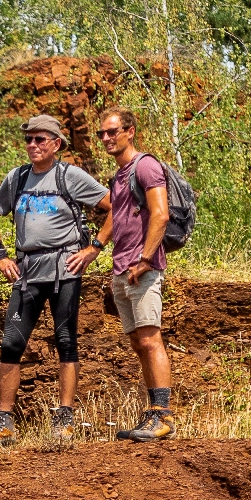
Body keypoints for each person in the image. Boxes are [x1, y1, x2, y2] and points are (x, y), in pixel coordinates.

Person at [0, 114, 107, 449]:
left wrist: (95, 248)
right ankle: (3, 425)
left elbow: (116, 206)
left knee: (65, 341)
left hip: (65, 269)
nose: (32, 145)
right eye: (29, 139)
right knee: (10, 345)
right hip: (27, 270)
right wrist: (0, 254)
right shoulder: (16, 178)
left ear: (56, 143)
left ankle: (64, 422)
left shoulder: (69, 176)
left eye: (40, 139)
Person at [95, 109, 175, 441]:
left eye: (112, 132)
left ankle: (163, 416)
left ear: (130, 131)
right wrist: (95, 247)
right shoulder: (118, 176)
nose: (106, 138)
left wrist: (144, 260)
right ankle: (152, 415)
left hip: (142, 269)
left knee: (149, 339)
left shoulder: (145, 166)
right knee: (138, 343)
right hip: (121, 269)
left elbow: (161, 214)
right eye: (102, 133)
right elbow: (118, 217)